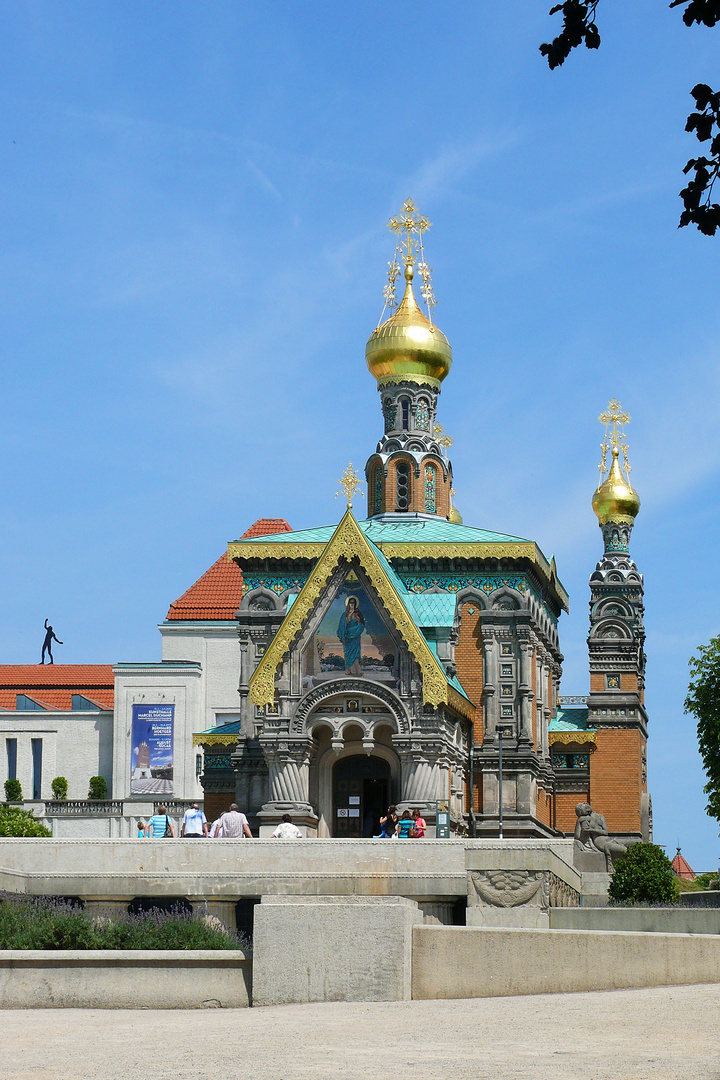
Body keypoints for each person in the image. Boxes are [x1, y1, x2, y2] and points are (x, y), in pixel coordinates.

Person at [337, 595, 365, 675]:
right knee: (348, 654)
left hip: (355, 637)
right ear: (348, 604)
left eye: (353, 603)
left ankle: (356, 670)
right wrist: (343, 636)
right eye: (350, 603)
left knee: (355, 654)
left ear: (355, 604)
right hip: (347, 638)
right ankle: (348, 670)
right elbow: (341, 627)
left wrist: (358, 621)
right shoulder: (345, 615)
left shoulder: (357, 613)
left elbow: (361, 625)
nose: (352, 604)